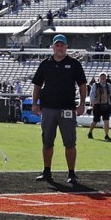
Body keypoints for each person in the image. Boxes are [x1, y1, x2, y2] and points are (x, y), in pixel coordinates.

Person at [31, 34, 87, 185]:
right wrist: (34, 103)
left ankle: (71, 173)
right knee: (47, 142)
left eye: (62, 45)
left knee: (70, 143)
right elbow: (37, 85)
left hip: (67, 108)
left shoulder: (74, 64)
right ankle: (47, 171)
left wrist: (82, 104)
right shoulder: (45, 64)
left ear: (66, 47)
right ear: (53, 47)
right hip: (48, 108)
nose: (60, 48)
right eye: (57, 45)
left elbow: (82, 85)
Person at [87, 72, 111, 141]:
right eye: (101, 77)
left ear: (106, 78)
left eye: (104, 77)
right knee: (95, 120)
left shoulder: (108, 85)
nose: (103, 79)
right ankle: (90, 132)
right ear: (99, 78)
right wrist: (93, 102)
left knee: (106, 120)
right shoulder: (95, 85)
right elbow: (92, 94)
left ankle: (106, 135)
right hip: (97, 105)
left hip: (106, 105)